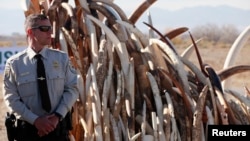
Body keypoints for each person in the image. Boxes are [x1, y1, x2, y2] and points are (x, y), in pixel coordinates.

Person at [2, 13, 79, 141]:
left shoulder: (61, 59)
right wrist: (36, 120)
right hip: (28, 132)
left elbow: (72, 89)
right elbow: (11, 98)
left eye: (51, 28)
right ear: (30, 32)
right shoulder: (14, 64)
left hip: (58, 130)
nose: (50, 33)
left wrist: (56, 117)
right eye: (45, 29)